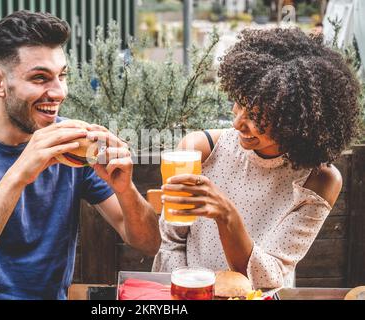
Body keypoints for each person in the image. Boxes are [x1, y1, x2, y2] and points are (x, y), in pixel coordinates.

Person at [0, 11, 160, 300]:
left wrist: (126, 190)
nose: (58, 92)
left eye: (62, 76)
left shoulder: (70, 144)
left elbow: (149, 244)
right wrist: (19, 173)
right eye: (40, 78)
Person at [152, 28, 361, 290]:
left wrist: (227, 216)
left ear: (296, 123)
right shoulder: (200, 149)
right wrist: (183, 294)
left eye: (258, 117)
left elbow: (270, 275)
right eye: (239, 104)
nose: (237, 122)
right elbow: (172, 242)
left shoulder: (320, 181)